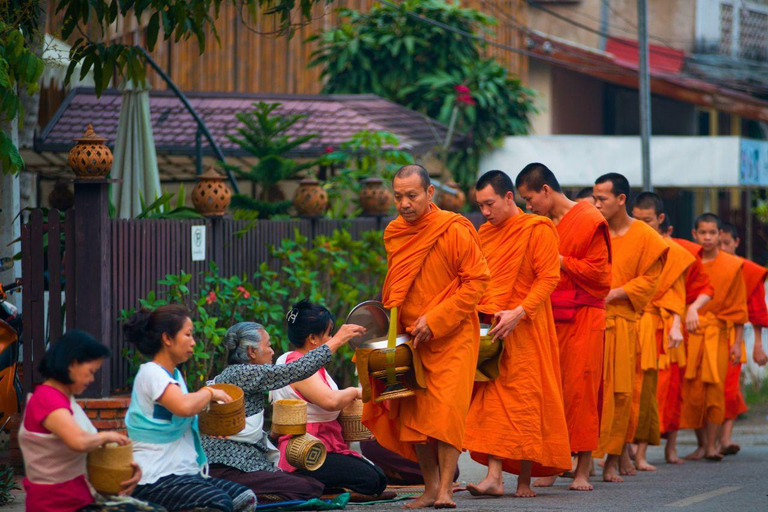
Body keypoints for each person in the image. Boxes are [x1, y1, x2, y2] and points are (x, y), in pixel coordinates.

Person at [363, 164, 490, 509]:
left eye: (412, 196)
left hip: (452, 335)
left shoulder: (453, 229)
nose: (404, 203)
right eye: (398, 196)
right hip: (409, 338)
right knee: (414, 414)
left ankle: (447, 489)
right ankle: (430, 488)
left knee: (446, 413)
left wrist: (436, 319)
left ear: (430, 193)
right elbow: (398, 283)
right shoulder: (394, 231)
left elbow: (477, 281)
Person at [464, 170, 570, 499]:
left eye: (490, 204)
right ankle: (494, 476)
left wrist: (519, 311)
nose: (485, 212)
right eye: (480, 206)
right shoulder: (485, 232)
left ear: (509, 197)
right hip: (493, 329)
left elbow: (548, 278)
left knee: (526, 400)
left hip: (527, 326)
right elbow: (479, 278)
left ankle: (524, 479)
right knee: (492, 400)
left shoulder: (538, 227)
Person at [515, 163, 611, 491]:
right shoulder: (537, 224)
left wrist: (560, 261)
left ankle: (583, 468)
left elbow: (601, 275)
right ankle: (553, 463)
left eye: (529, 198)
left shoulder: (588, 219)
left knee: (581, 392)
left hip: (584, 316)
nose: (527, 206)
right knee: (549, 392)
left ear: (546, 190)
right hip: (547, 317)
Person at [203, 321, 363, 503]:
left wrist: (272, 436)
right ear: (251, 352)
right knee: (308, 488)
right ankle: (235, 496)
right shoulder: (242, 373)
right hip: (227, 468)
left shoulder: (237, 375)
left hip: (239, 465)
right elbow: (295, 370)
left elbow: (244, 433)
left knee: (309, 485)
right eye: (268, 345)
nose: (272, 351)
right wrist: (337, 340)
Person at [123, 305, 257, 512]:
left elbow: (177, 417)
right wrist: (210, 392)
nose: (193, 342)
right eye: (187, 334)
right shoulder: (151, 373)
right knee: (218, 503)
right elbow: (183, 407)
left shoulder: (175, 376)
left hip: (184, 474)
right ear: (167, 339)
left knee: (244, 498)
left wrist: (211, 425)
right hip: (155, 477)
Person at [18, 330, 162, 512]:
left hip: (78, 500)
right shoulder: (46, 399)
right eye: (91, 371)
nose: (92, 379)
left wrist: (127, 473)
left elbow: (87, 454)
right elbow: (79, 441)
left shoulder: (63, 399)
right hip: (57, 506)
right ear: (72, 364)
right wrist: (106, 435)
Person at [592, 173, 668, 483]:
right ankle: (581, 458)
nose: (596, 205)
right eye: (594, 199)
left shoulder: (646, 237)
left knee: (620, 394)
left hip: (622, 323)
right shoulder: (593, 230)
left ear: (621, 199)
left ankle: (612, 459)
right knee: (588, 392)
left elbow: (650, 280)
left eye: (602, 199)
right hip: (591, 321)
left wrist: (617, 292)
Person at [271, 300, 388, 498]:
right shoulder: (296, 362)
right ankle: (304, 485)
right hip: (304, 451)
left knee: (376, 476)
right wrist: (354, 391)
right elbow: (330, 401)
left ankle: (320, 488)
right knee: (373, 480)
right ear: (313, 339)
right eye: (329, 334)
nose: (332, 338)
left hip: (324, 445)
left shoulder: (305, 363)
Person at [631, 193, 695, 472]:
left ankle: (641, 451)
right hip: (627, 323)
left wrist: (677, 326)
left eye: (647, 220)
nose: (642, 225)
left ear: (660, 219)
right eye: (637, 219)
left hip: (655, 329)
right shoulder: (627, 242)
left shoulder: (675, 253)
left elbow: (677, 296)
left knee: (649, 391)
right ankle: (619, 452)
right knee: (620, 390)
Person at [681, 213, 748, 461]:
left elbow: (740, 309)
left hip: (718, 334)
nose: (707, 237)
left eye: (712, 233)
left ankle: (712, 445)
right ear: (694, 234)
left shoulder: (732, 266)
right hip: (692, 333)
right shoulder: (689, 262)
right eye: (703, 233)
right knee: (693, 392)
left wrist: (738, 344)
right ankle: (701, 444)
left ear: (720, 235)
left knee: (715, 390)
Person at [718, 223, 768, 455]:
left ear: (737, 242)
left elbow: (757, 311)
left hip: (735, 336)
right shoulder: (705, 266)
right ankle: (706, 443)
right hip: (706, 334)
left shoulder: (748, 270)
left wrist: (758, 346)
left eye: (726, 243)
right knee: (705, 390)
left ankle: (725, 439)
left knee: (729, 388)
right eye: (719, 243)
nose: (722, 247)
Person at [667, 227, 713, 464]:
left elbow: (706, 288)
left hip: (680, 326)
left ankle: (677, 447)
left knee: (678, 388)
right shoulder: (631, 242)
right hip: (640, 322)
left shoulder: (683, 252)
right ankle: (630, 450)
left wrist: (692, 308)